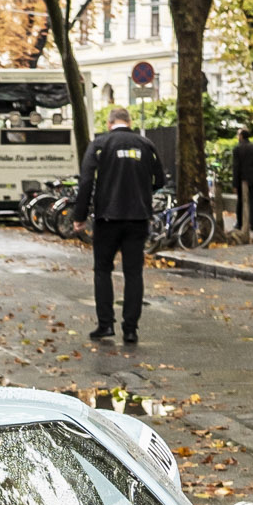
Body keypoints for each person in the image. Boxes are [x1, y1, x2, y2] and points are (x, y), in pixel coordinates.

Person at [72, 105, 166, 341]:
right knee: (134, 273)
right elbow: (160, 179)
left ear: (109, 123)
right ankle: (131, 329)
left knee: (103, 270)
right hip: (138, 218)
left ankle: (106, 324)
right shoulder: (147, 145)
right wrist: (144, 192)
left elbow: (86, 182)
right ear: (130, 121)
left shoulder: (100, 145)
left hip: (108, 217)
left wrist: (79, 216)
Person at [230, 121, 253, 241]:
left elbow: (236, 167)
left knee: (240, 201)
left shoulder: (237, 149)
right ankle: (252, 223)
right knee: (252, 201)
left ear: (241, 137)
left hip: (241, 179)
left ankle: (239, 222)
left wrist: (234, 183)